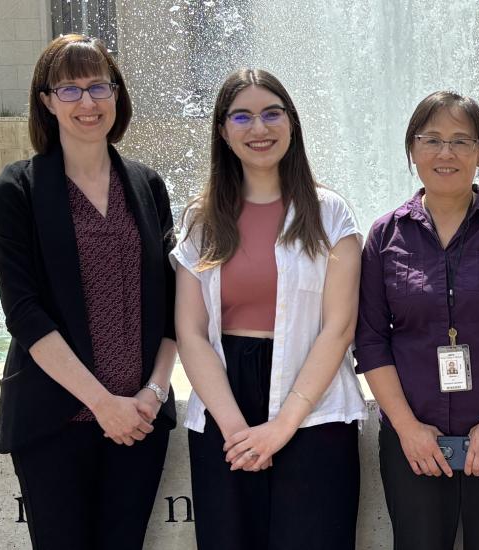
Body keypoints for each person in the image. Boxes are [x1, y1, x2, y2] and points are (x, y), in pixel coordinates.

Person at [0, 34, 177, 549]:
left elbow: (171, 306)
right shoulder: (18, 188)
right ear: (46, 101)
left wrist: (151, 395)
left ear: (117, 96)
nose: (87, 102)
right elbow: (23, 313)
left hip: (139, 420)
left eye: (98, 87)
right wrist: (102, 404)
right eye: (68, 90)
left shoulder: (146, 184)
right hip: (55, 419)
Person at [172, 68, 365, 549]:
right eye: (242, 117)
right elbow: (190, 332)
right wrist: (236, 430)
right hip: (224, 404)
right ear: (223, 131)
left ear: (292, 123)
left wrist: (281, 426)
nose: (259, 129)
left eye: (271, 114)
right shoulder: (201, 218)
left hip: (314, 407)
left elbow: (339, 329)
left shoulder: (330, 213)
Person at [354, 91, 479, 550]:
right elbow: (372, 341)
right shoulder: (385, 235)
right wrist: (407, 428)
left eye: (462, 141)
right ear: (411, 150)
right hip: (415, 435)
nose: (446, 153)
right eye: (432, 139)